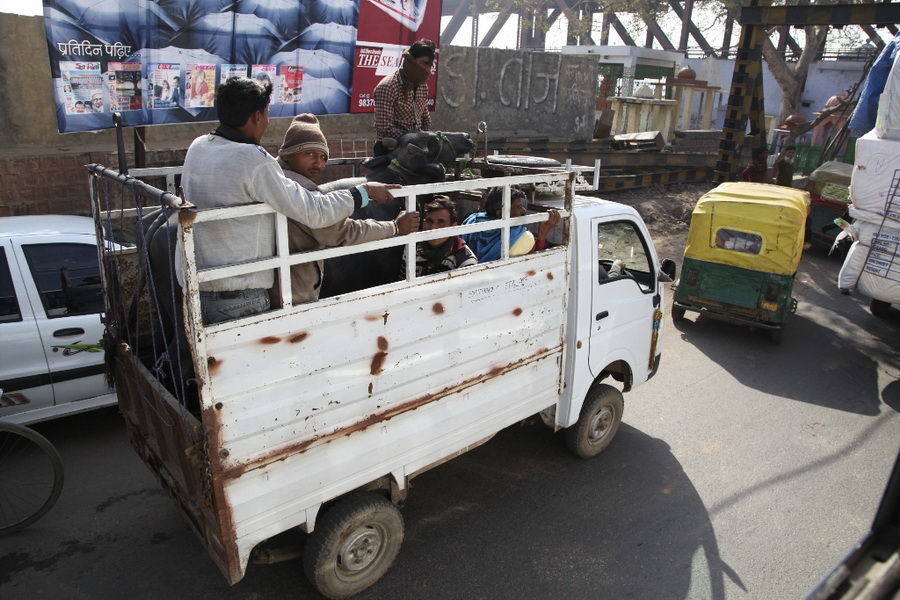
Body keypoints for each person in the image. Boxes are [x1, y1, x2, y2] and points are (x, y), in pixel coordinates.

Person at [179, 77, 397, 324]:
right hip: (239, 293)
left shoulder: (198, 146)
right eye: (267, 114)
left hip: (196, 284)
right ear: (256, 116)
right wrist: (364, 192)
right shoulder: (253, 160)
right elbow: (314, 211)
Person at [276, 113, 419, 303]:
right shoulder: (302, 189)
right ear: (287, 154)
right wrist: (394, 227)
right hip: (292, 294)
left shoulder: (277, 180)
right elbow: (342, 231)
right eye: (309, 153)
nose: (318, 163)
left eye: (323, 157)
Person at [461, 185, 560, 262]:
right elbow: (534, 262)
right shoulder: (518, 236)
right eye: (518, 207)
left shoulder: (472, 220)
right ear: (500, 214)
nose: (524, 210)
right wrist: (542, 234)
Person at [372, 39, 435, 155]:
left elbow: (425, 119)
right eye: (423, 63)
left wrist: (425, 139)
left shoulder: (422, 87)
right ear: (411, 62)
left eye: (429, 65)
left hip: (416, 147)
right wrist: (413, 139)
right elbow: (385, 128)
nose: (427, 69)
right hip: (391, 149)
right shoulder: (388, 87)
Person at [404, 196, 477, 277]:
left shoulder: (464, 261)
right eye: (429, 221)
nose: (433, 228)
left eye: (441, 222)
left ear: (453, 227)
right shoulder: (413, 247)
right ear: (423, 223)